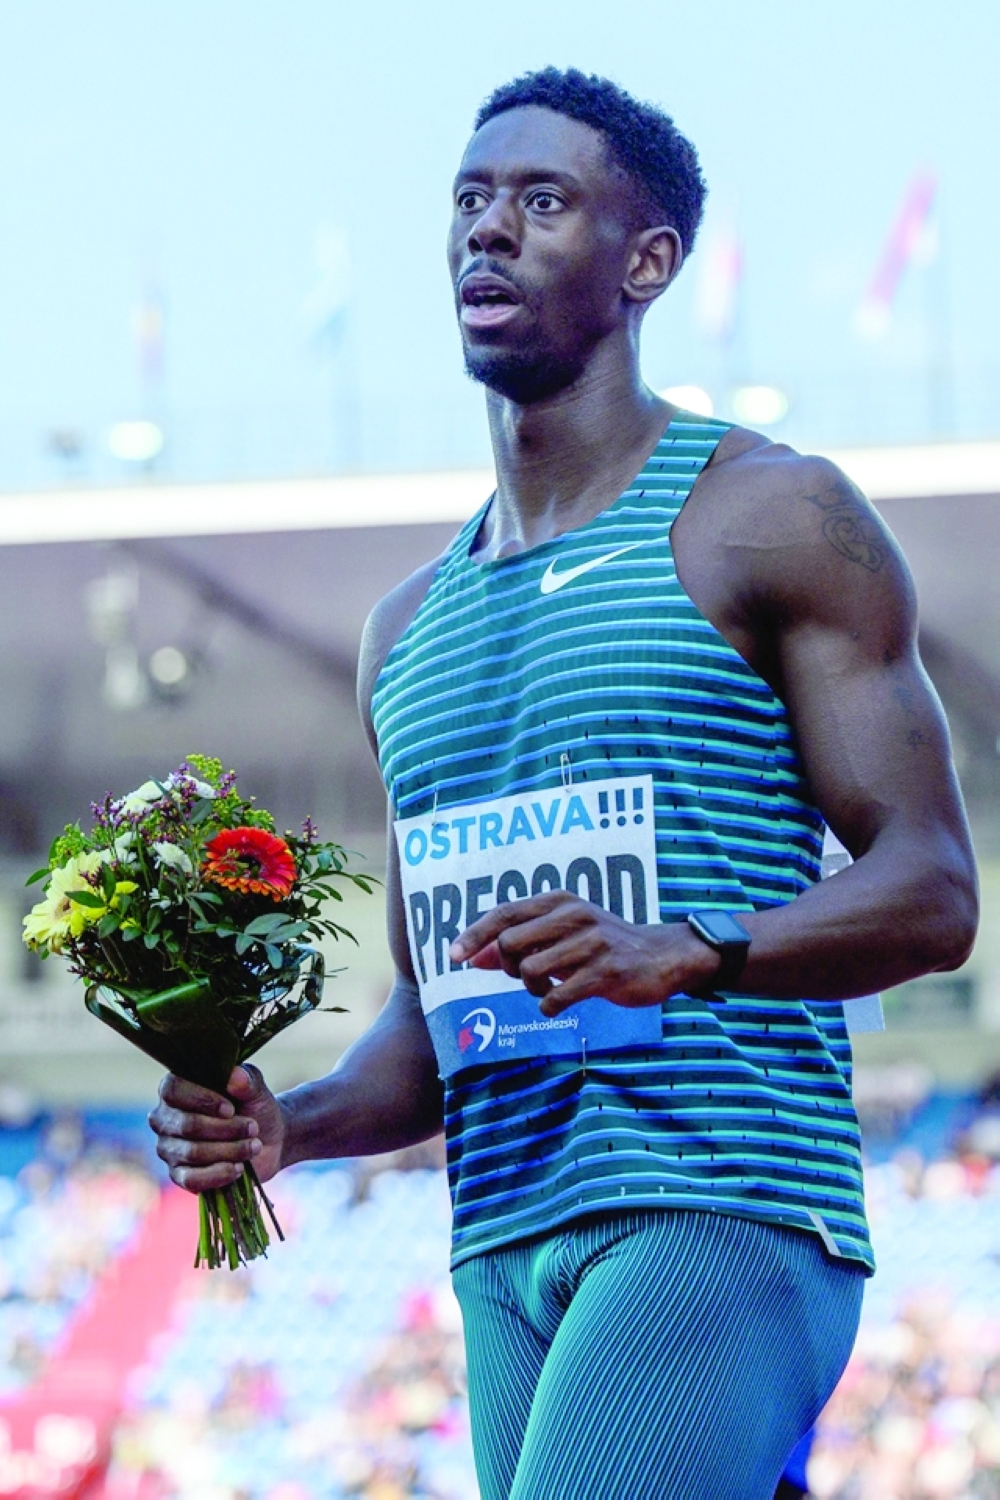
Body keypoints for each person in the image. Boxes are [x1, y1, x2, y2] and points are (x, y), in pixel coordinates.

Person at [149, 68, 978, 1499]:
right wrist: (296, 1122)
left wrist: (693, 952)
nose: (490, 233)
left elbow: (933, 887)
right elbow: (432, 1017)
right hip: (503, 1248)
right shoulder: (405, 637)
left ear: (647, 261)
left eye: (544, 202)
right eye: (470, 202)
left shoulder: (766, 518)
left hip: (719, 1203)